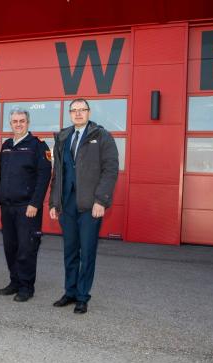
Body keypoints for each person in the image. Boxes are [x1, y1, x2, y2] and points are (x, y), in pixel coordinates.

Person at [49, 98, 119, 314]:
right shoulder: (63, 137)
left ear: (89, 112)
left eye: (82, 110)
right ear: (70, 114)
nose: (78, 113)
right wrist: (54, 202)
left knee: (87, 252)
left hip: (90, 205)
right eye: (74, 110)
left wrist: (101, 200)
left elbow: (110, 169)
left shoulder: (102, 136)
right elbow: (58, 173)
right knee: (70, 251)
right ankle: (70, 292)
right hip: (67, 204)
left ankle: (82, 296)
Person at [0, 107, 51, 302]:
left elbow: (44, 176)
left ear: (28, 123)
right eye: (15, 121)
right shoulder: (6, 145)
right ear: (10, 124)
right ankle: (15, 281)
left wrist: (35, 203)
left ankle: (27, 287)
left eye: (22, 121)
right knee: (10, 246)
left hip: (27, 207)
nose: (18, 124)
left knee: (26, 247)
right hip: (7, 206)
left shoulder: (37, 145)